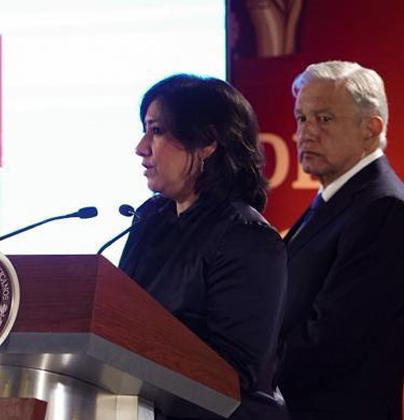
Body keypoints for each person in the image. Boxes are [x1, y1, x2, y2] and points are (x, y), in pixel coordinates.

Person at [119, 74, 288, 420]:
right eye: (144, 130)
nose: (141, 147)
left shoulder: (246, 236)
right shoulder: (150, 218)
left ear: (207, 142)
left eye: (157, 131)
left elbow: (234, 373)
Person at [277, 61, 404, 420]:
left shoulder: (383, 210)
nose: (306, 132)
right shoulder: (339, 198)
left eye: (324, 119)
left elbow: (327, 345)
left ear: (370, 129)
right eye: (301, 118)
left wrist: (240, 372)